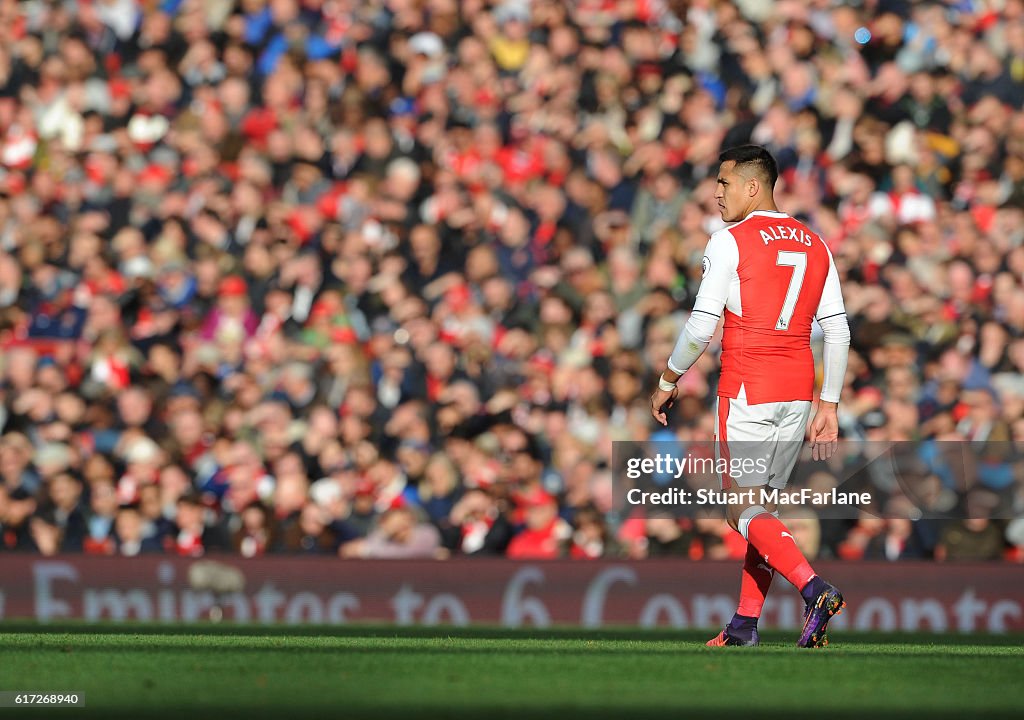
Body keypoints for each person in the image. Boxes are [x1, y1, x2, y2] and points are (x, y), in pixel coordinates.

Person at [649, 145, 851, 649]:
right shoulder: (815, 242)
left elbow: (701, 324)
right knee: (762, 514)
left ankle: (813, 587)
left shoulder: (730, 239)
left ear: (753, 186)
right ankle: (743, 626)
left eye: (724, 183)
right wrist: (829, 403)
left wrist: (670, 378)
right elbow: (838, 331)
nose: (717, 193)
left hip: (747, 387)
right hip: (798, 392)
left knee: (739, 510)